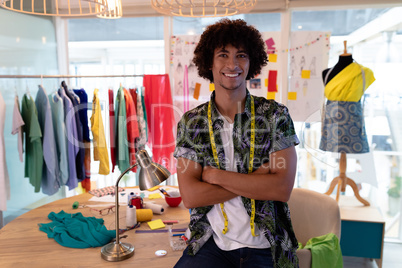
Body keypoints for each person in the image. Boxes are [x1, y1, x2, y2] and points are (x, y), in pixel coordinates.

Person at [173, 18, 300, 268]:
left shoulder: (275, 115)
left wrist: (215, 175)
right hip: (212, 244)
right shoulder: (191, 122)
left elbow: (281, 189)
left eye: (241, 55)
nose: (232, 64)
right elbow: (191, 196)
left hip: (267, 245)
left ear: (251, 61)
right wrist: (258, 176)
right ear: (209, 62)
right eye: (223, 55)